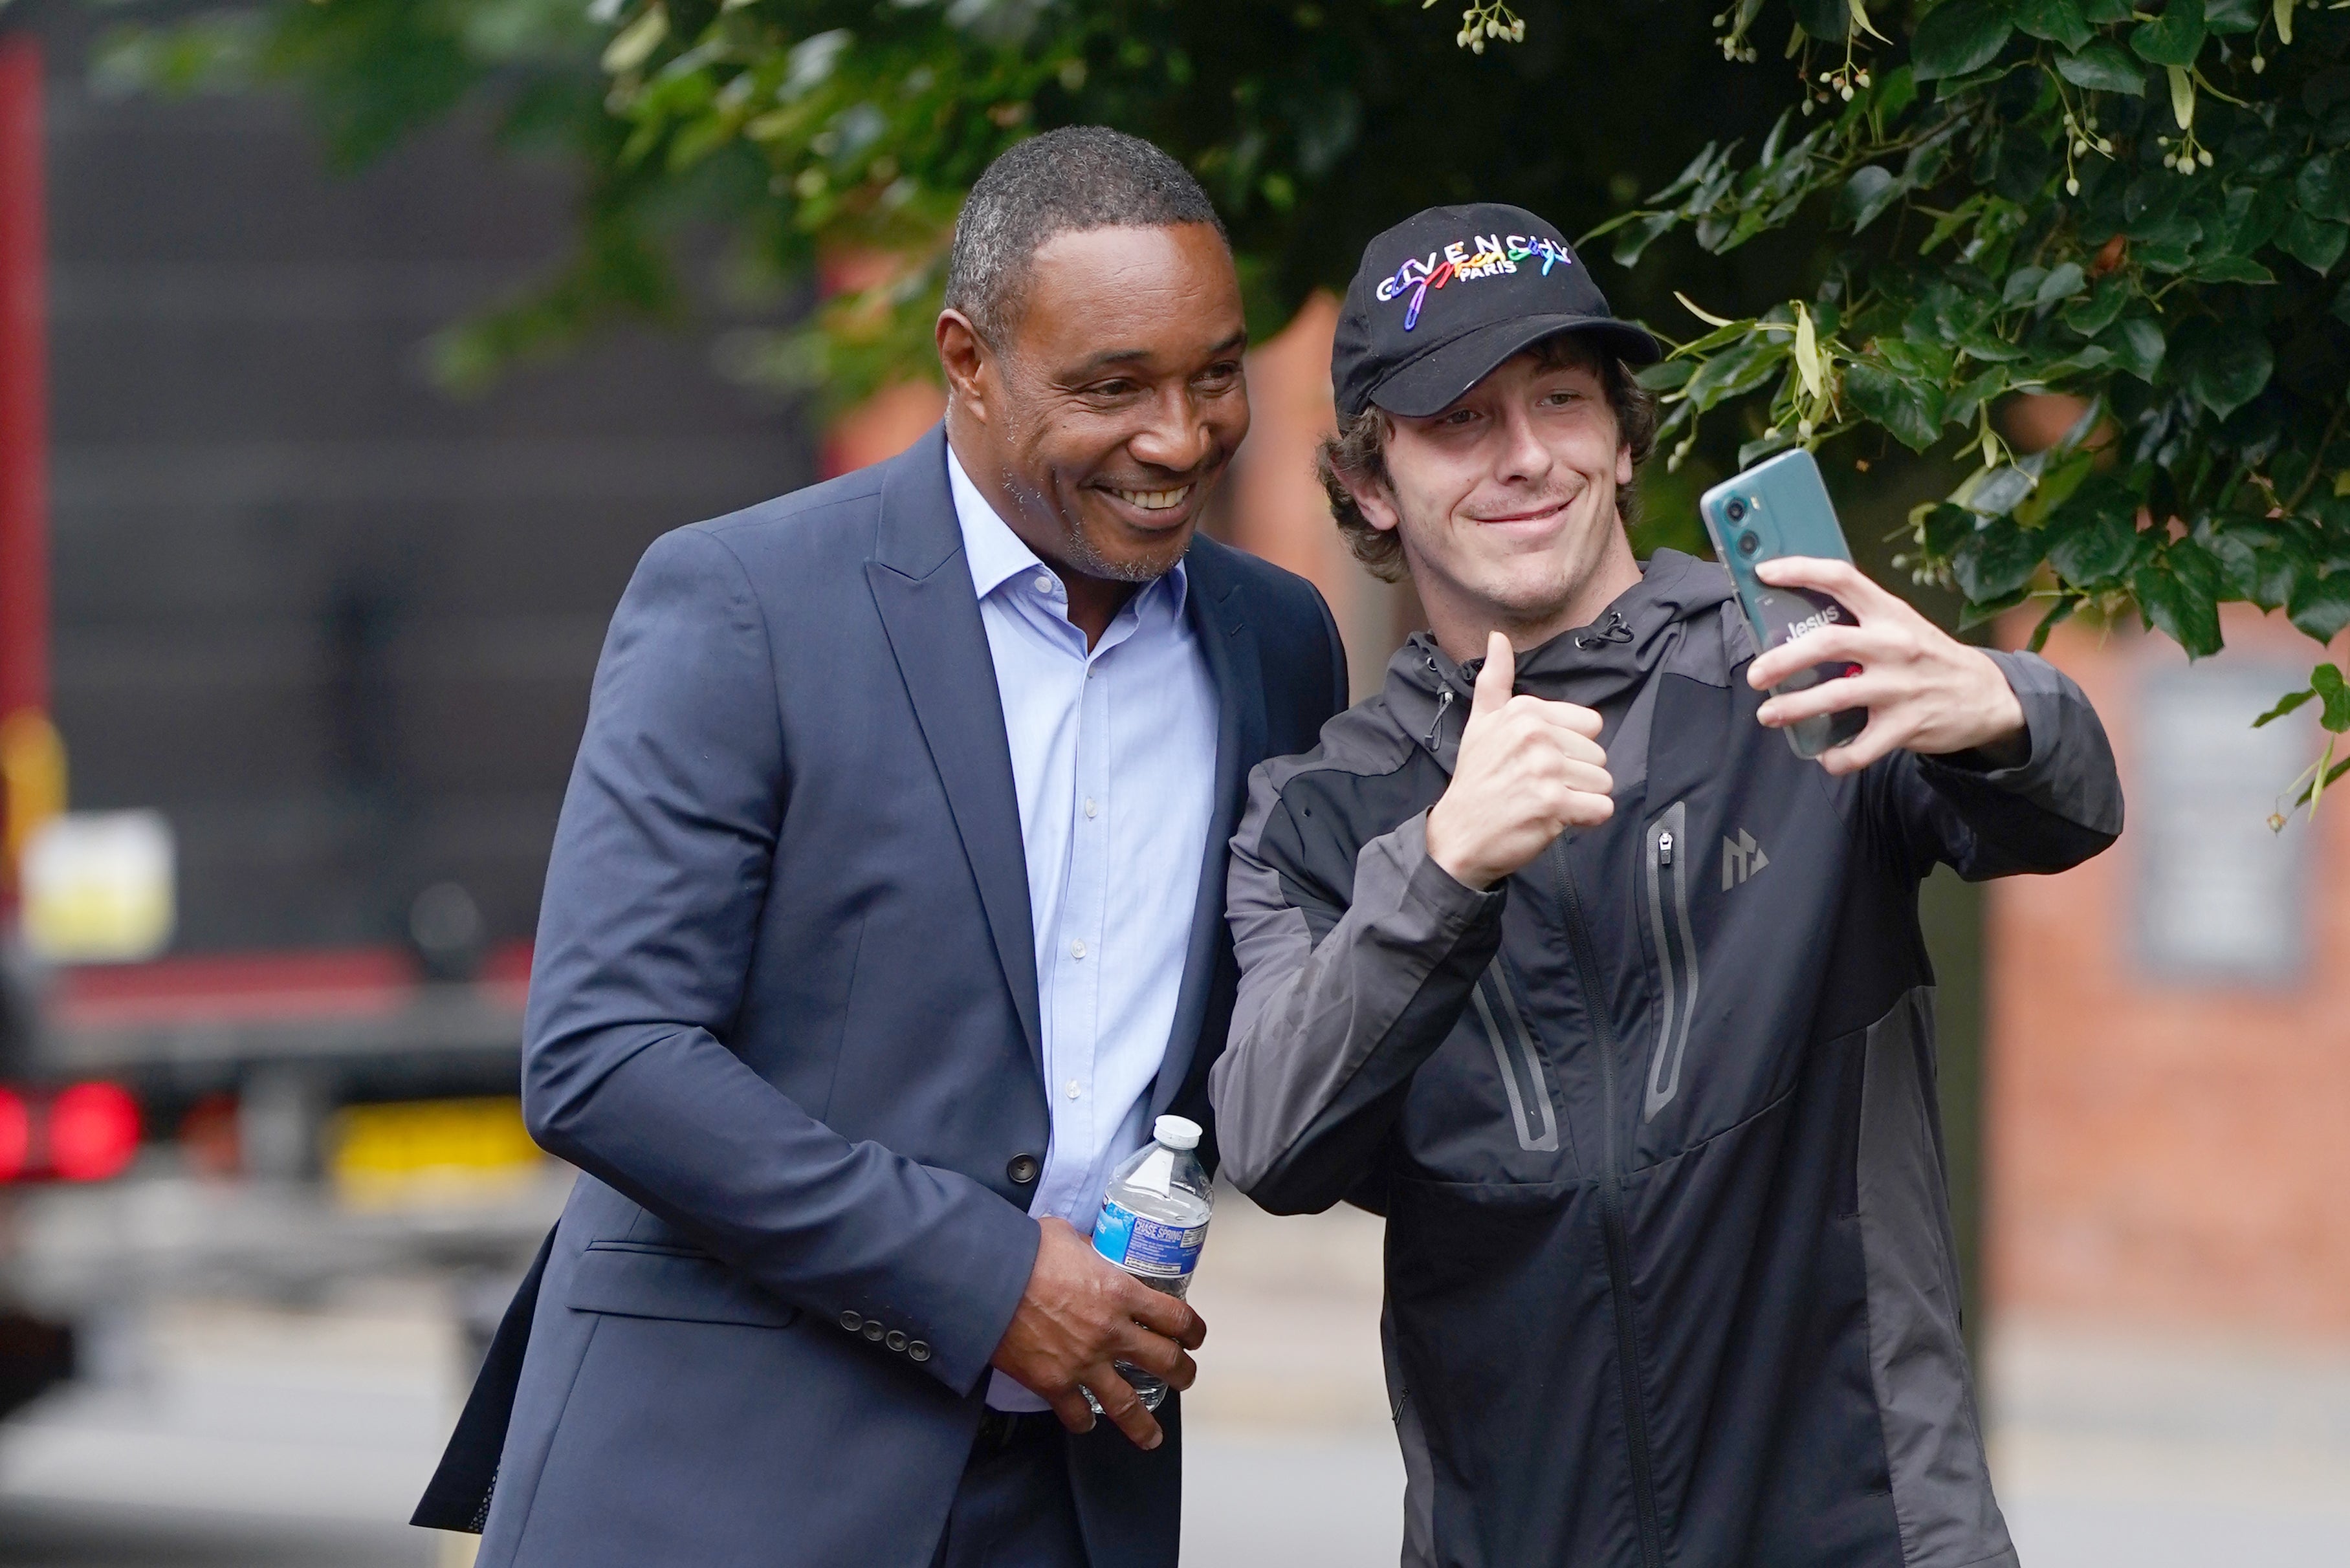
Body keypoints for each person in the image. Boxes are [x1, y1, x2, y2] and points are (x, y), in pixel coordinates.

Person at [413, 128, 1348, 1568]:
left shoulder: (1275, 642)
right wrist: (985, 1279)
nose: (1178, 437)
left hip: (1072, 1494)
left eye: (1213, 374)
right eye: (1111, 388)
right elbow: (603, 1053)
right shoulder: (744, 602)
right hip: (718, 1482)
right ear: (967, 361)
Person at [1211, 204, 2123, 1568]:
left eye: (1561, 400)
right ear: (1368, 487)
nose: (1524, 456)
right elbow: (1270, 1141)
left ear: (1625, 437)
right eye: (1458, 419)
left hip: (1864, 1535)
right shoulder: (1321, 817)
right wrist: (1445, 870)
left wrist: (2004, 704)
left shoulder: (1800, 676)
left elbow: (2067, 812)